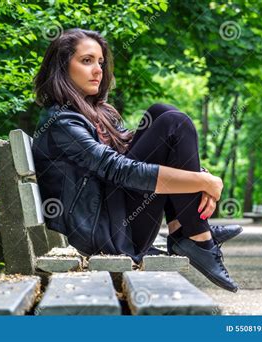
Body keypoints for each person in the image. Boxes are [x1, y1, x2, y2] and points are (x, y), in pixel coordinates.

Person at [32, 28, 242, 292]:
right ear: (62, 67)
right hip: (105, 236)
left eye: (100, 62)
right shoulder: (61, 122)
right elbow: (118, 169)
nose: (98, 70)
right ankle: (198, 236)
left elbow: (136, 154)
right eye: (86, 61)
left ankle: (186, 229)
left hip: (115, 220)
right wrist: (200, 181)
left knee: (161, 113)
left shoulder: (95, 113)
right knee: (174, 123)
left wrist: (200, 177)